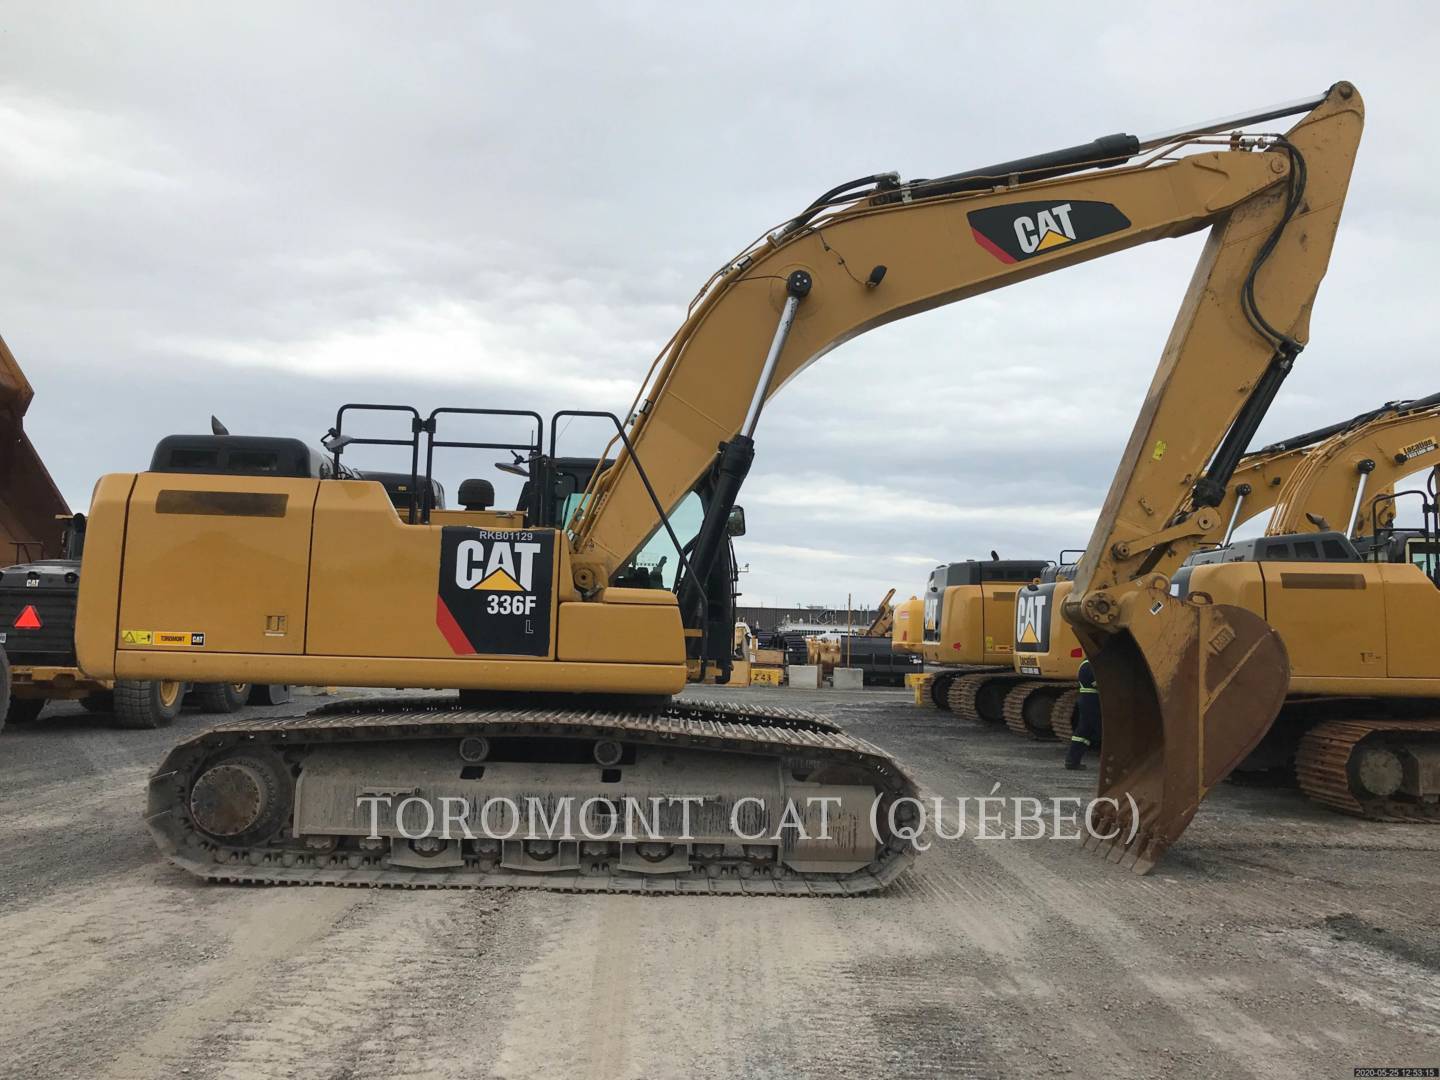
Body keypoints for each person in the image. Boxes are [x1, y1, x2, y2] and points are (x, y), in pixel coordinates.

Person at [1065, 655, 1101, 770]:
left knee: (1083, 732)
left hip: (1086, 700)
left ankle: (1072, 761)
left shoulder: (1085, 663)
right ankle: (1112, 761)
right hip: (1093, 700)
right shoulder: (1090, 665)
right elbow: (1102, 683)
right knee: (1103, 730)